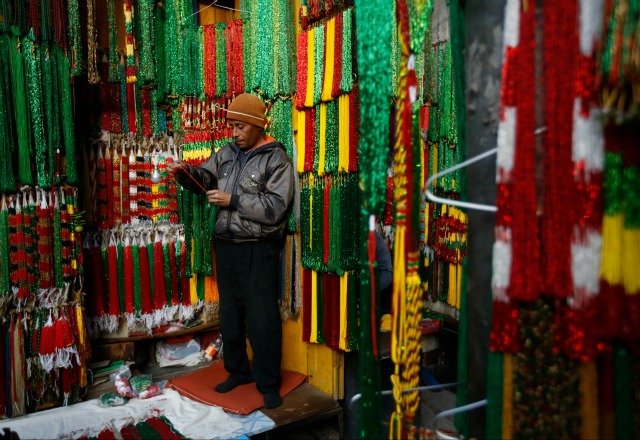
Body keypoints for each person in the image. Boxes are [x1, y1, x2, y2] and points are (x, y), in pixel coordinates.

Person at [167, 93, 294, 409]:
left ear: (256, 125)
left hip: (258, 249)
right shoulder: (227, 152)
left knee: (262, 318)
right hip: (226, 247)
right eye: (232, 126)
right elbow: (205, 176)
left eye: (240, 127)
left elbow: (276, 209)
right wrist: (185, 173)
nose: (234, 133)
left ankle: (268, 383)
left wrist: (233, 201)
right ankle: (238, 371)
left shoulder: (276, 160)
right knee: (231, 316)